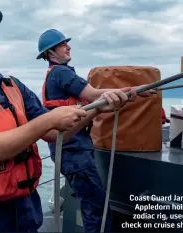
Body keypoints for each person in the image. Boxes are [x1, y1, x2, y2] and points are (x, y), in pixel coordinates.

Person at [0, 0, 134, 233]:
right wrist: (48, 119)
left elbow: (57, 134)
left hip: (23, 214)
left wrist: (97, 108)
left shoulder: (13, 86)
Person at [36, 29, 157, 232]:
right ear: (51, 53)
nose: (68, 47)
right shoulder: (61, 72)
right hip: (75, 153)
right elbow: (95, 96)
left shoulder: (55, 75)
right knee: (97, 208)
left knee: (91, 203)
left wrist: (133, 91)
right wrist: (137, 89)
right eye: (63, 44)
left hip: (67, 152)